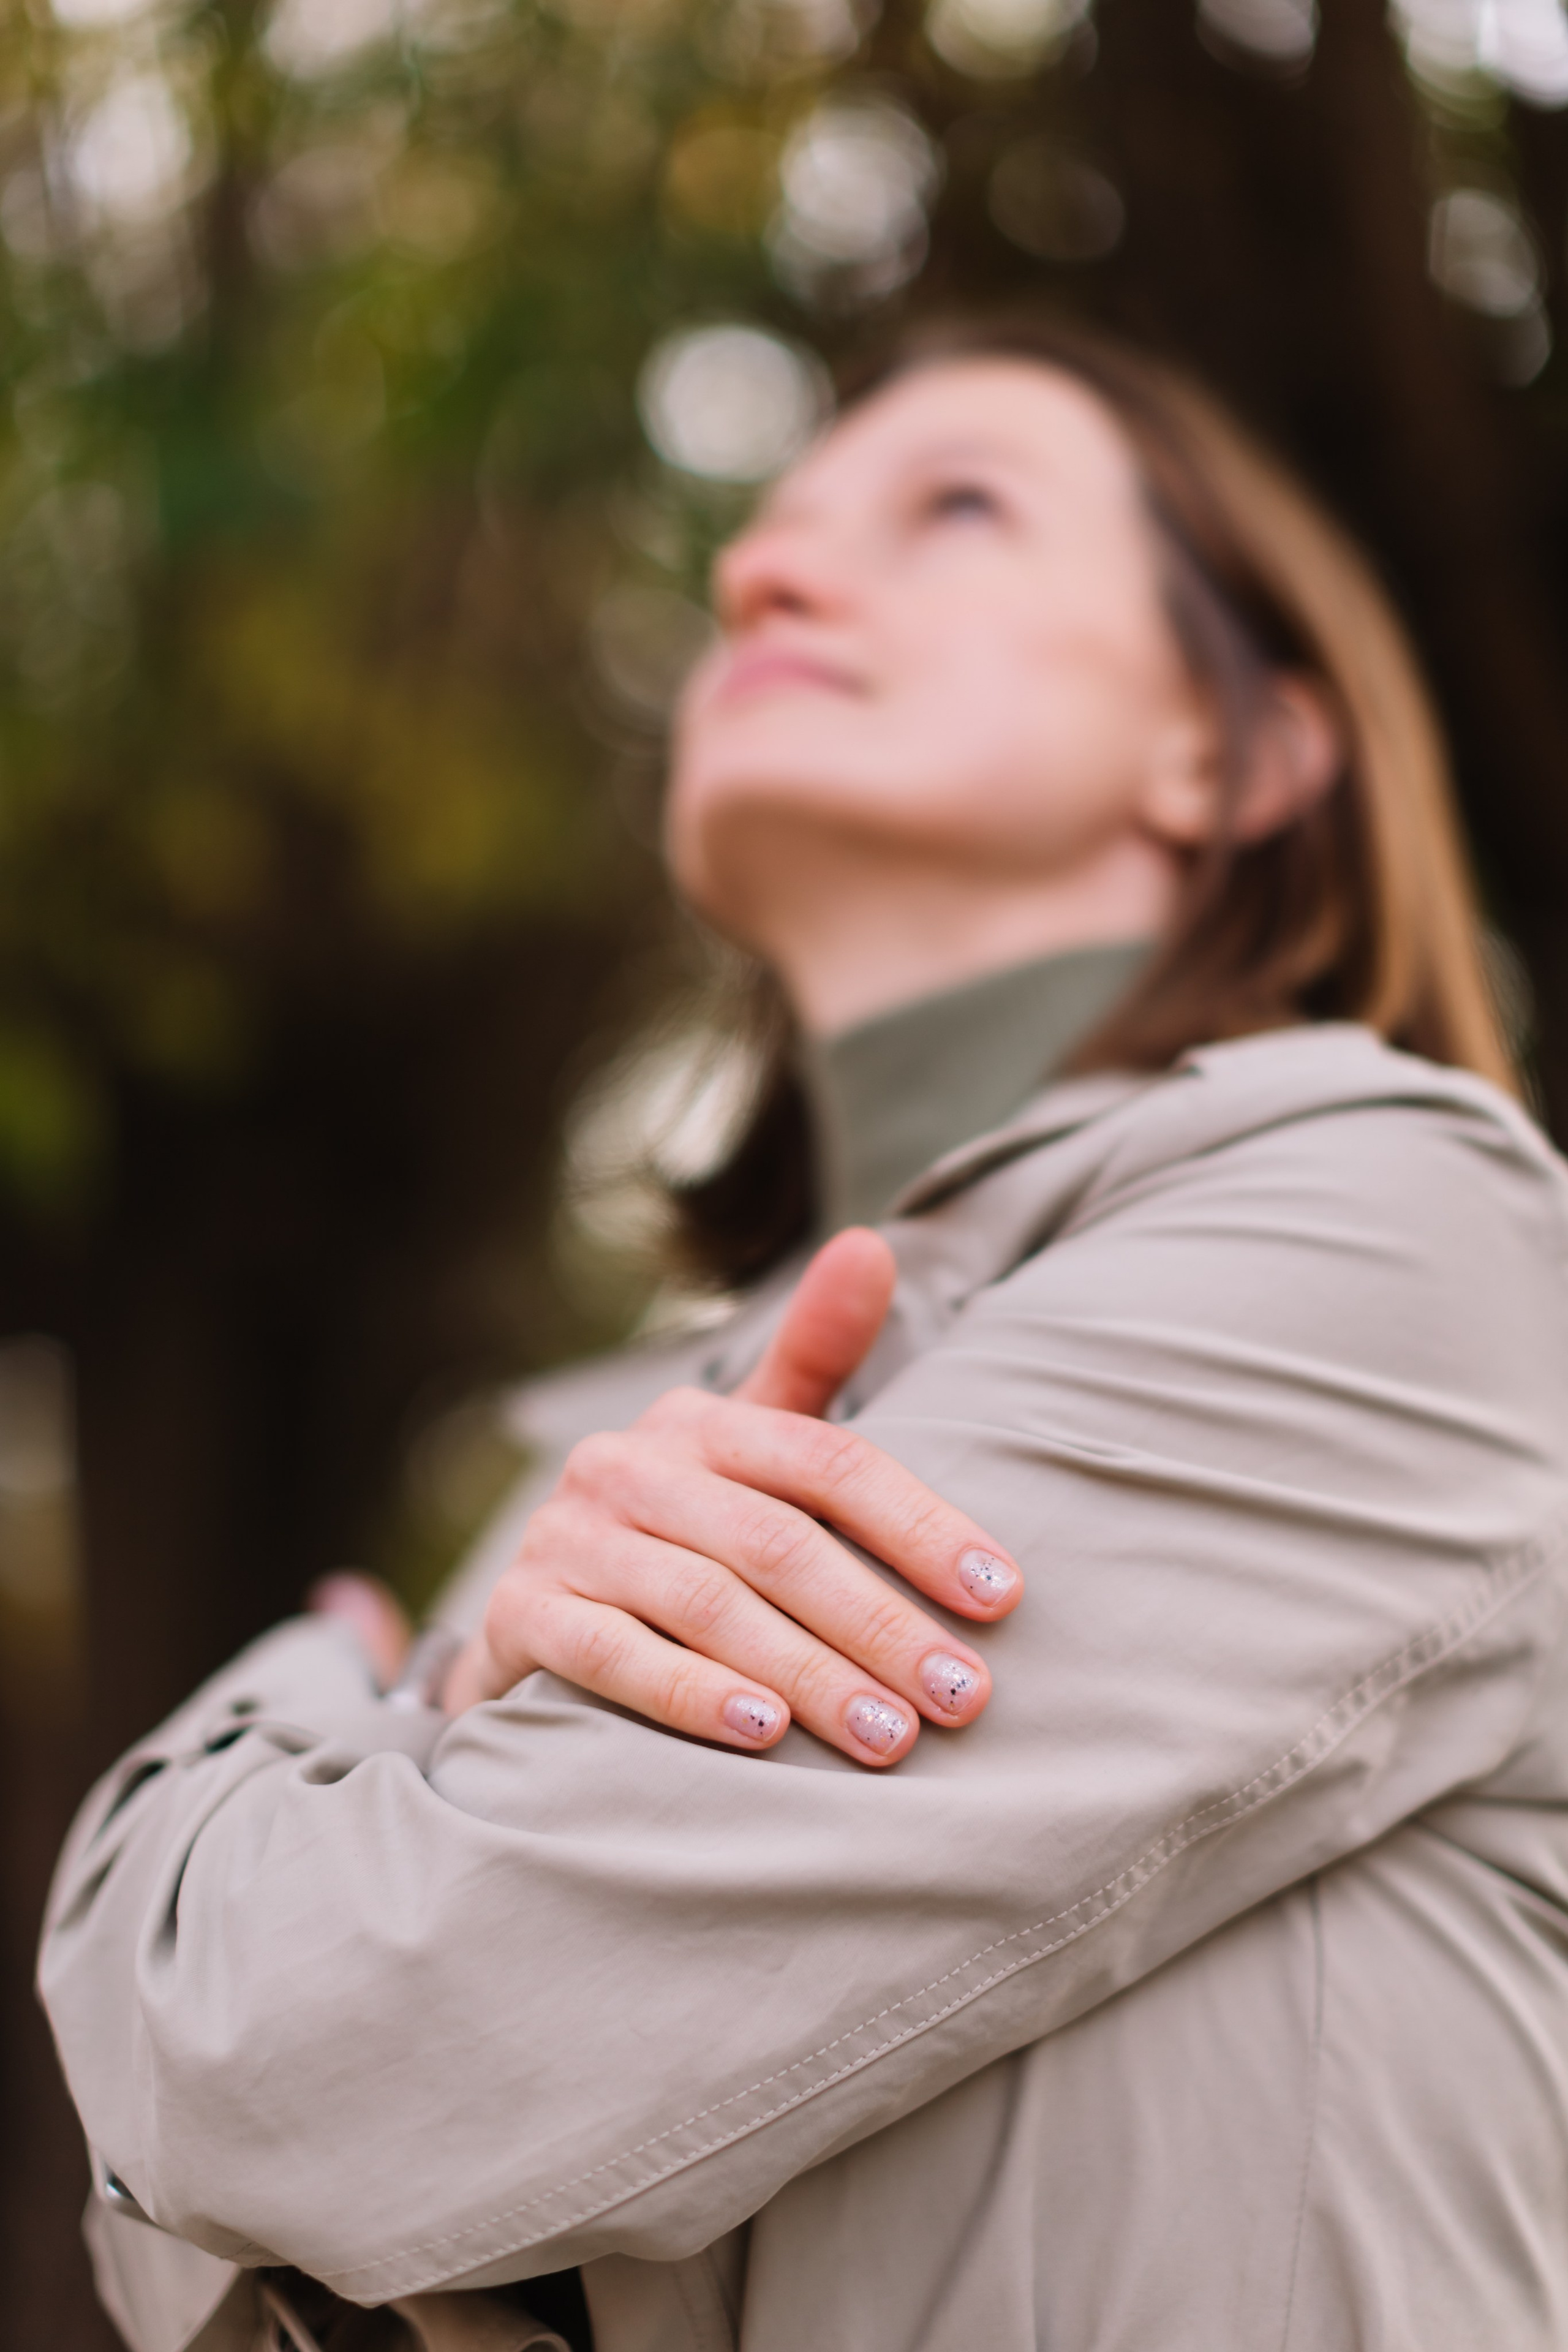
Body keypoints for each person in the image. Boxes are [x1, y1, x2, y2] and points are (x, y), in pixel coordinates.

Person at [39, 312, 1568, 2352]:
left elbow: (304, 2069)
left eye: (957, 508)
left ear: (1243, 750)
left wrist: (319, 1703)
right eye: (763, 535)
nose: (759, 574)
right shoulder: (607, 1470)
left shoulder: (1395, 1240)